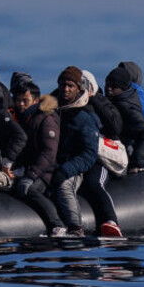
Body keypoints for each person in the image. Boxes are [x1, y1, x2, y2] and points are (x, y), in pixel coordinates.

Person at [51, 67, 101, 237]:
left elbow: (89, 154)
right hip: (51, 163)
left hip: (73, 167)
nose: (66, 89)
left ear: (79, 89)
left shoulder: (84, 117)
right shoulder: (51, 109)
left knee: (64, 185)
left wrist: (66, 170)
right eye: (63, 85)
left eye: (70, 86)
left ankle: (75, 228)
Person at [10, 81, 64, 236]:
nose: (21, 104)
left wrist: (31, 176)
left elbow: (49, 153)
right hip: (28, 169)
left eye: (25, 101)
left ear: (35, 101)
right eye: (18, 100)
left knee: (28, 189)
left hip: (46, 172)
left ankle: (57, 225)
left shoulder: (46, 119)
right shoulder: (23, 119)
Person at [79, 70, 124, 237]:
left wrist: (94, 98)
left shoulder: (101, 103)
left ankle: (111, 220)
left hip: (99, 160)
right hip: (77, 157)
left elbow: (114, 128)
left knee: (94, 183)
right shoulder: (64, 103)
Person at [105, 67, 144, 173]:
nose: (109, 88)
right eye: (107, 84)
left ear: (123, 88)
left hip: (132, 156)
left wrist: (135, 163)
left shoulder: (125, 106)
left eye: (114, 86)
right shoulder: (114, 102)